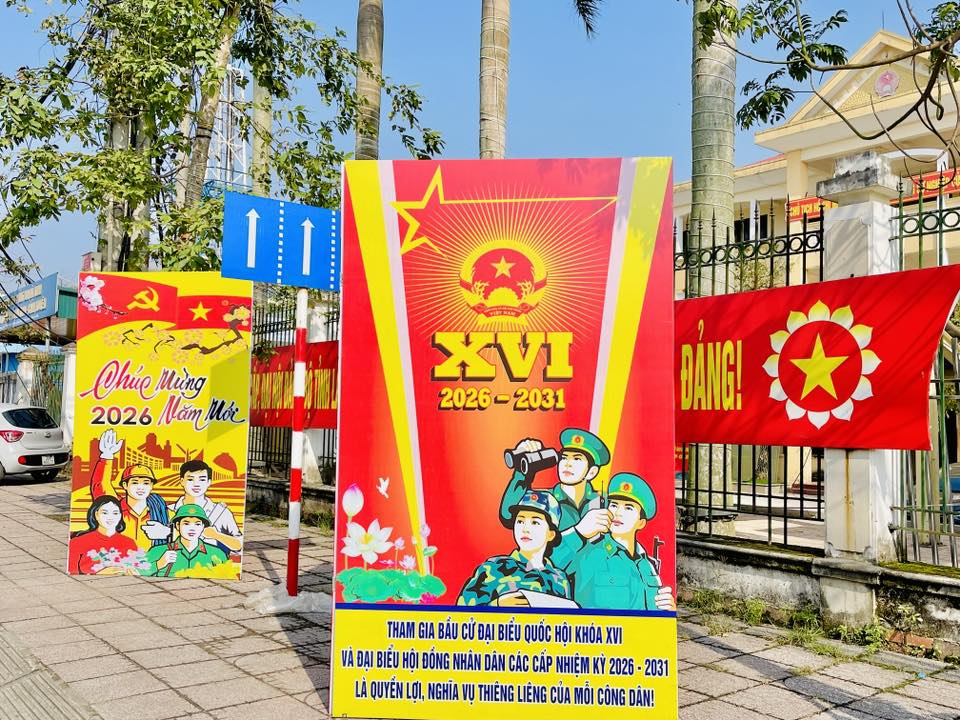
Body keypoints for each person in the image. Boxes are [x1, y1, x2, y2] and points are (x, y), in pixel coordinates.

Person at [553, 472, 675, 611]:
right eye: (614, 505)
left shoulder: (647, 565)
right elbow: (544, 562)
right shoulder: (589, 553)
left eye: (628, 508)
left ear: (641, 523)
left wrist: (668, 611)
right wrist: (578, 531)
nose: (618, 513)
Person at [458, 490, 573, 607]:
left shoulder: (560, 579)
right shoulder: (494, 568)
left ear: (551, 534)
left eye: (535, 522)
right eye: (520, 521)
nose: (525, 529)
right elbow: (462, 611)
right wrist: (497, 605)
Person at [500, 428, 611, 536]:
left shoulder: (604, 502)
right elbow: (508, 514)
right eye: (564, 457)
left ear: (592, 472)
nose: (567, 464)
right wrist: (521, 469)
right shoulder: (543, 500)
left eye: (577, 459)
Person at [89, 430, 169, 550]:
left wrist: (168, 533)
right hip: (118, 559)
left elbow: (186, 534)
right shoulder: (114, 509)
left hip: (153, 560)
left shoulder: (163, 511)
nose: (140, 487)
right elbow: (100, 487)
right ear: (125, 485)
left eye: (146, 483)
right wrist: (106, 456)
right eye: (135, 482)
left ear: (152, 486)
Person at [162, 459, 242, 553]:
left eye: (202, 479)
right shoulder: (168, 511)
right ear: (182, 481)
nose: (196, 484)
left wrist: (216, 535)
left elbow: (239, 546)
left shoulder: (221, 512)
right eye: (190, 479)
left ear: (209, 482)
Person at [143, 504, 229, 577]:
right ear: (177, 525)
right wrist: (159, 564)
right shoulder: (158, 551)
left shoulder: (217, 554)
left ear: (203, 527)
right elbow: (138, 571)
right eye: (186, 523)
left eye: (197, 524)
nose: (192, 528)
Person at [67, 495, 143, 575]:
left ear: (120, 516)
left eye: (115, 513)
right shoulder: (77, 542)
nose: (110, 517)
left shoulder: (129, 543)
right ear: (96, 514)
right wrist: (99, 574)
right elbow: (72, 573)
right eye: (105, 513)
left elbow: (139, 567)